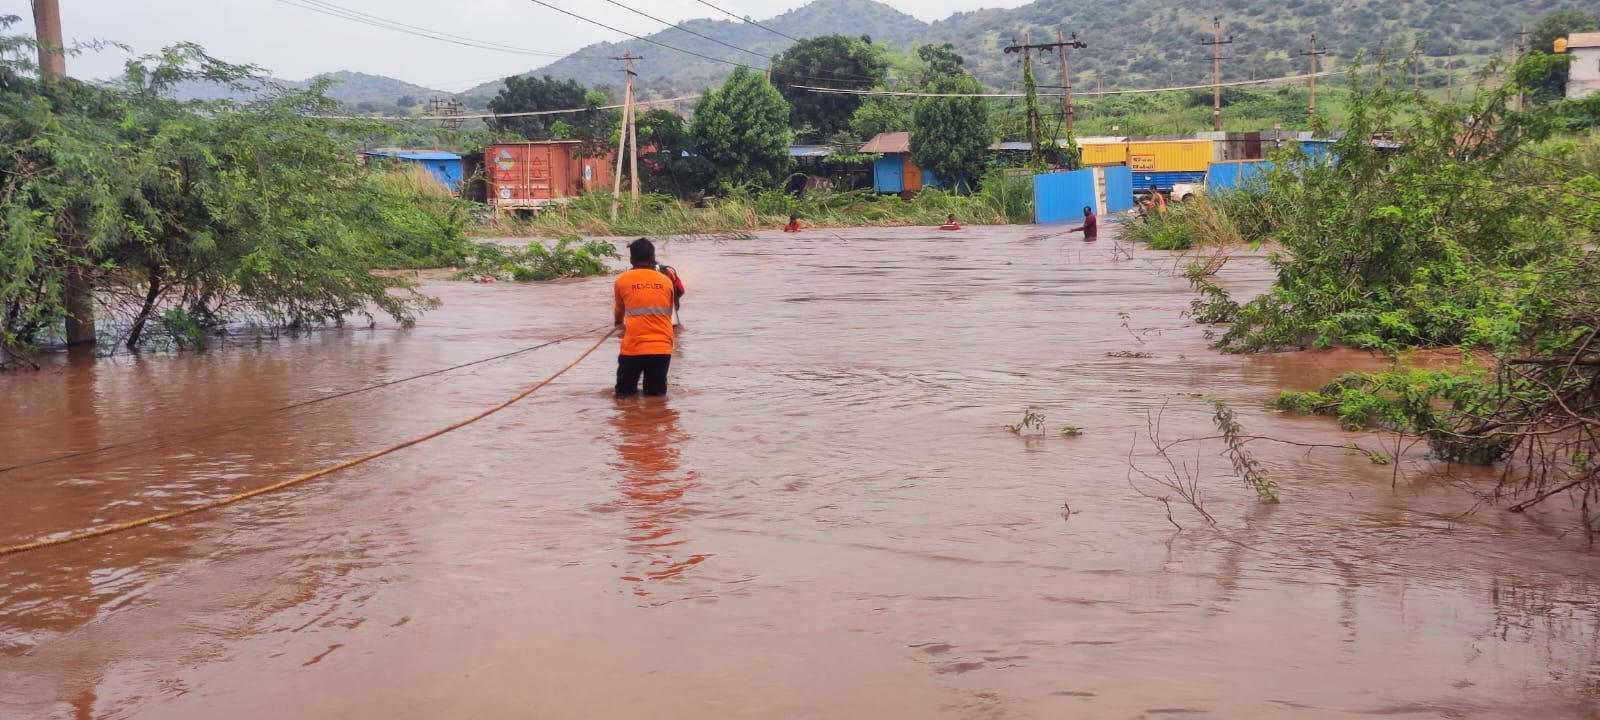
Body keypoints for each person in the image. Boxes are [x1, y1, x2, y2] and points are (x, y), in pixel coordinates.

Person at [614, 238, 676, 399]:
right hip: (662, 348)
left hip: (633, 348)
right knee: (656, 399)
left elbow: (619, 310)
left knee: (624, 397)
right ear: (653, 257)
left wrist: (618, 324)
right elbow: (670, 312)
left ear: (631, 259)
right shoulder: (666, 281)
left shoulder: (622, 280)